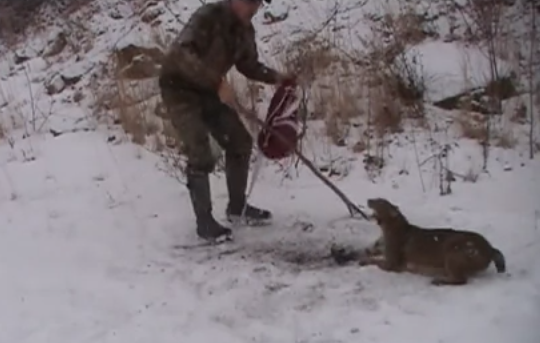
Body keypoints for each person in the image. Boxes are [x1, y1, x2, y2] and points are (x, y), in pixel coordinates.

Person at [159, 0, 293, 241]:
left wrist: (277, 78)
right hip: (178, 87)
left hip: (209, 90)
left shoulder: (245, 31)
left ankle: (237, 208)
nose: (253, 8)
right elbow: (182, 53)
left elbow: (249, 65)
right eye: (249, 2)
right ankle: (205, 223)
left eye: (257, 3)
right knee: (199, 150)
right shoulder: (208, 16)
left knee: (240, 142)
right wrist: (217, 82)